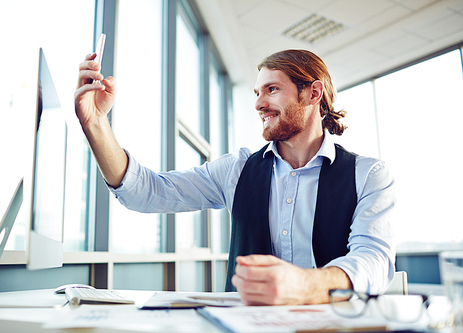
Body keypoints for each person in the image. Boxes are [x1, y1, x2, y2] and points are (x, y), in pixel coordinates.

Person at [75, 49, 395, 306]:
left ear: (313, 94)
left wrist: (304, 285)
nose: (258, 103)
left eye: (272, 89)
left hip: (334, 328)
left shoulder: (367, 174)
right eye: (257, 92)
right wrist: (95, 124)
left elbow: (374, 261)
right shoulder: (237, 169)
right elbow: (147, 192)